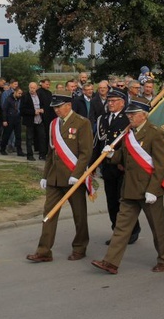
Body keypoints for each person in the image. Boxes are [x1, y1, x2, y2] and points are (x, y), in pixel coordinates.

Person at [91, 97, 164, 275]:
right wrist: (111, 154)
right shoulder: (129, 133)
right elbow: (124, 157)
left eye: (133, 114)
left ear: (143, 115)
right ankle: (111, 262)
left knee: (157, 228)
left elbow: (160, 164)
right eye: (128, 113)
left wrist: (153, 189)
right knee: (121, 227)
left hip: (148, 190)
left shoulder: (154, 133)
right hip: (129, 189)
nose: (129, 116)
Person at [26, 91, 93, 263]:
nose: (56, 110)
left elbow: (86, 153)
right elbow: (51, 153)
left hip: (73, 177)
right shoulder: (53, 124)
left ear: (68, 105)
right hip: (55, 178)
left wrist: (77, 174)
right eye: (54, 108)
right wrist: (45, 175)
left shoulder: (82, 123)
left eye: (58, 107)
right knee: (48, 213)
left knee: (79, 215)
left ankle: (80, 247)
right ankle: (44, 250)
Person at [91, 87, 140, 245]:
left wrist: (123, 163)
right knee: (111, 201)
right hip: (107, 167)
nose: (110, 103)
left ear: (122, 103)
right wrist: (92, 165)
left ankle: (130, 231)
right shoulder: (102, 119)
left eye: (114, 101)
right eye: (109, 101)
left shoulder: (128, 120)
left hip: (123, 168)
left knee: (124, 202)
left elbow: (133, 146)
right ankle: (116, 229)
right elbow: (97, 144)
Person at [20, 81, 47, 161]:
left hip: (39, 120)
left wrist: (42, 109)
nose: (32, 89)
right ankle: (30, 155)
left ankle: (42, 154)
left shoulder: (39, 95)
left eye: (34, 88)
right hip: (30, 120)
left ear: (37, 88)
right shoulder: (25, 96)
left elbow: (43, 104)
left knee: (42, 137)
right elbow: (22, 110)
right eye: (31, 88)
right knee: (29, 138)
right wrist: (33, 112)